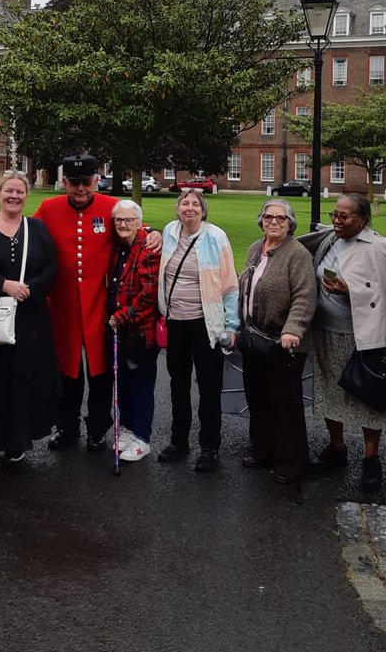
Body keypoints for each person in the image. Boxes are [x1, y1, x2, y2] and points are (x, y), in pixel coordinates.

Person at [34, 154, 160, 452]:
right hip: (63, 304)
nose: (81, 188)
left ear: (96, 180)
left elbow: (132, 227)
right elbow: (23, 232)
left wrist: (153, 233)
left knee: (100, 370)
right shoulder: (49, 208)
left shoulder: (110, 206)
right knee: (68, 370)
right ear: (65, 182)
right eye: (74, 182)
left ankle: (97, 428)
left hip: (101, 303)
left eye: (87, 182)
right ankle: (67, 426)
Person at [308, 193, 386, 492]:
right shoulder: (330, 240)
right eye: (334, 214)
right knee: (329, 393)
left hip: (362, 336)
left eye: (344, 216)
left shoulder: (379, 247)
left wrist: (349, 292)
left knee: (369, 396)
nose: (337, 220)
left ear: (364, 219)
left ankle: (371, 458)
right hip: (326, 331)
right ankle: (336, 448)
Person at [0, 170, 61, 466]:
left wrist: (31, 289)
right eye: (8, 190)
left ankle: (16, 440)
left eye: (20, 191)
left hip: (29, 317)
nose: (14, 196)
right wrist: (2, 284)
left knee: (22, 379)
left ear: (27, 196)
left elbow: (52, 265)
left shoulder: (37, 228)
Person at [157, 187, 239, 471]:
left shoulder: (215, 237)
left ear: (203, 211)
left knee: (209, 386)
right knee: (177, 384)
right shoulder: (169, 232)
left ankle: (209, 446)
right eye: (185, 203)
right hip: (176, 321)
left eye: (195, 204)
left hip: (206, 324)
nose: (189, 208)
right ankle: (179, 441)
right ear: (178, 209)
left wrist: (231, 326)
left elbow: (230, 285)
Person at [237, 199, 316, 484]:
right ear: (261, 221)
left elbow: (305, 296)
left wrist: (293, 329)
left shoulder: (297, 254)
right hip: (254, 338)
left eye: (281, 218)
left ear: (290, 223)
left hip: (283, 342)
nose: (273, 222)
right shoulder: (255, 248)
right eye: (268, 217)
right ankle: (263, 450)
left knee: (285, 403)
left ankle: (291, 460)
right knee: (257, 397)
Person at [108, 199, 161, 462]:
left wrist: (120, 317)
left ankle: (142, 438)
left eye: (129, 220)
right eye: (118, 219)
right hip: (122, 331)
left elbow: (148, 295)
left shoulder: (148, 249)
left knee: (140, 385)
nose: (123, 224)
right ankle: (127, 430)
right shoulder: (120, 246)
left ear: (139, 222)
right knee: (124, 384)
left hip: (140, 332)